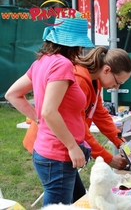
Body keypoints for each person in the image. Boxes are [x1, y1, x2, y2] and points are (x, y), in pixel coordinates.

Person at [5, 11, 95, 206]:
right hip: (59, 156)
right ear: (75, 43)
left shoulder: (42, 61)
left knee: (79, 201)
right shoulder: (62, 64)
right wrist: (72, 146)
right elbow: (48, 111)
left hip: (47, 152)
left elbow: (12, 94)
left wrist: (38, 119)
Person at [72, 46, 131, 201]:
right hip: (54, 148)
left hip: (67, 148)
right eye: (118, 82)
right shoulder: (80, 81)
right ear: (106, 70)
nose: (117, 87)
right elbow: (81, 129)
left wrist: (121, 141)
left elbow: (101, 115)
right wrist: (109, 158)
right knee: (62, 201)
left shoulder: (95, 82)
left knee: (79, 199)